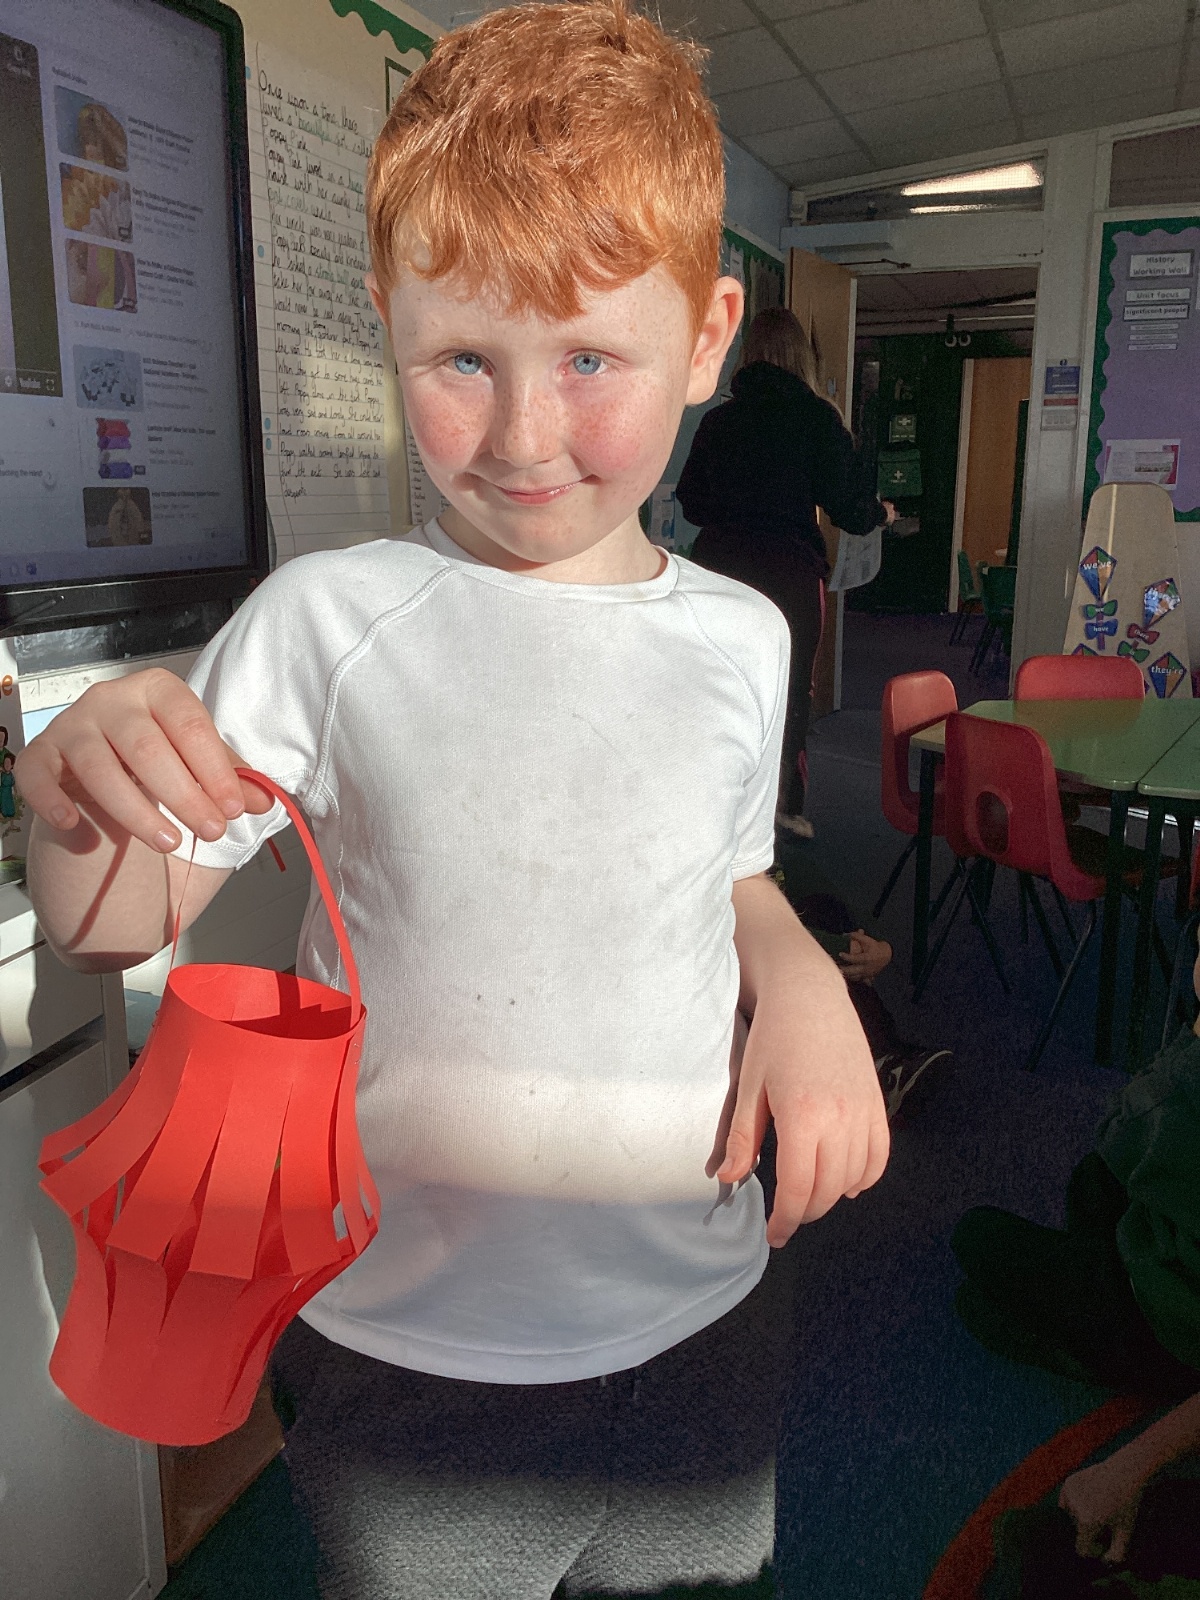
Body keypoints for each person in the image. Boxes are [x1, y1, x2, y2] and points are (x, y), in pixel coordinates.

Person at [16, 7, 888, 1598]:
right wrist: (76, 792)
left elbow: (723, 875)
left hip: (705, 1311)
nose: (525, 435)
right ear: (387, 320)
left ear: (708, 336)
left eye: (591, 359)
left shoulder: (741, 639)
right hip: (411, 1356)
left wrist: (803, 976)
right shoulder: (328, 622)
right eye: (464, 359)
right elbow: (111, 929)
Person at [676, 306, 894, 839]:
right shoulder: (818, 419)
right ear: (803, 357)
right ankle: (781, 809)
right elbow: (850, 510)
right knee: (789, 689)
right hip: (788, 573)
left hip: (718, 570)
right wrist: (882, 514)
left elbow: (692, 503)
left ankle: (709, 805)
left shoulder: (718, 421)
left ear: (748, 355)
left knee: (716, 687)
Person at [773, 844, 951, 1120]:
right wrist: (843, 951)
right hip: (735, 966)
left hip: (783, 949)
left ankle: (878, 1059)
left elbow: (825, 890)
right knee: (816, 956)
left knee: (825, 908)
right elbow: (744, 929)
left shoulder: (776, 847)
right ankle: (879, 1063)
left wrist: (878, 947)